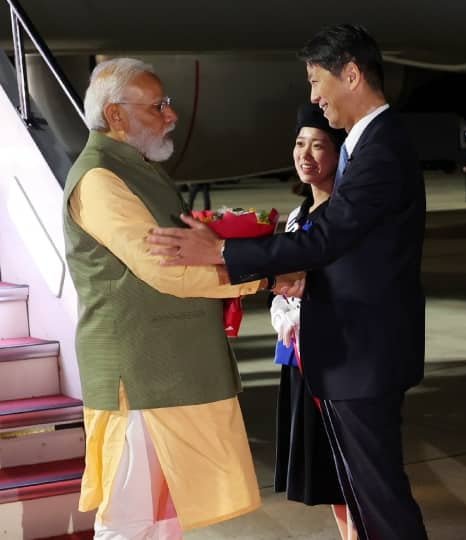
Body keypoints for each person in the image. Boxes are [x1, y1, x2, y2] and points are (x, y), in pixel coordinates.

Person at [147, 24, 428, 540]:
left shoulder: (381, 149)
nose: (314, 96)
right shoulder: (366, 146)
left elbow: (328, 238)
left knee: (380, 501)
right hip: (353, 352)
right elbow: (344, 247)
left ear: (351, 74)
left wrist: (224, 252)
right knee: (365, 499)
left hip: (364, 355)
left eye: (317, 81)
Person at [62, 58, 297, 539]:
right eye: (158, 106)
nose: (171, 115)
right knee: (130, 522)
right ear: (116, 115)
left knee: (164, 520)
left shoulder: (134, 169)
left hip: (167, 374)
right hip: (140, 379)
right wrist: (264, 277)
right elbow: (165, 267)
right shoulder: (100, 179)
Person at [271, 103, 357, 540]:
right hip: (297, 360)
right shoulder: (297, 217)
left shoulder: (343, 217)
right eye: (300, 143)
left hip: (332, 358)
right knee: (326, 477)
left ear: (339, 154)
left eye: (319, 145)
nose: (305, 155)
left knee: (349, 475)